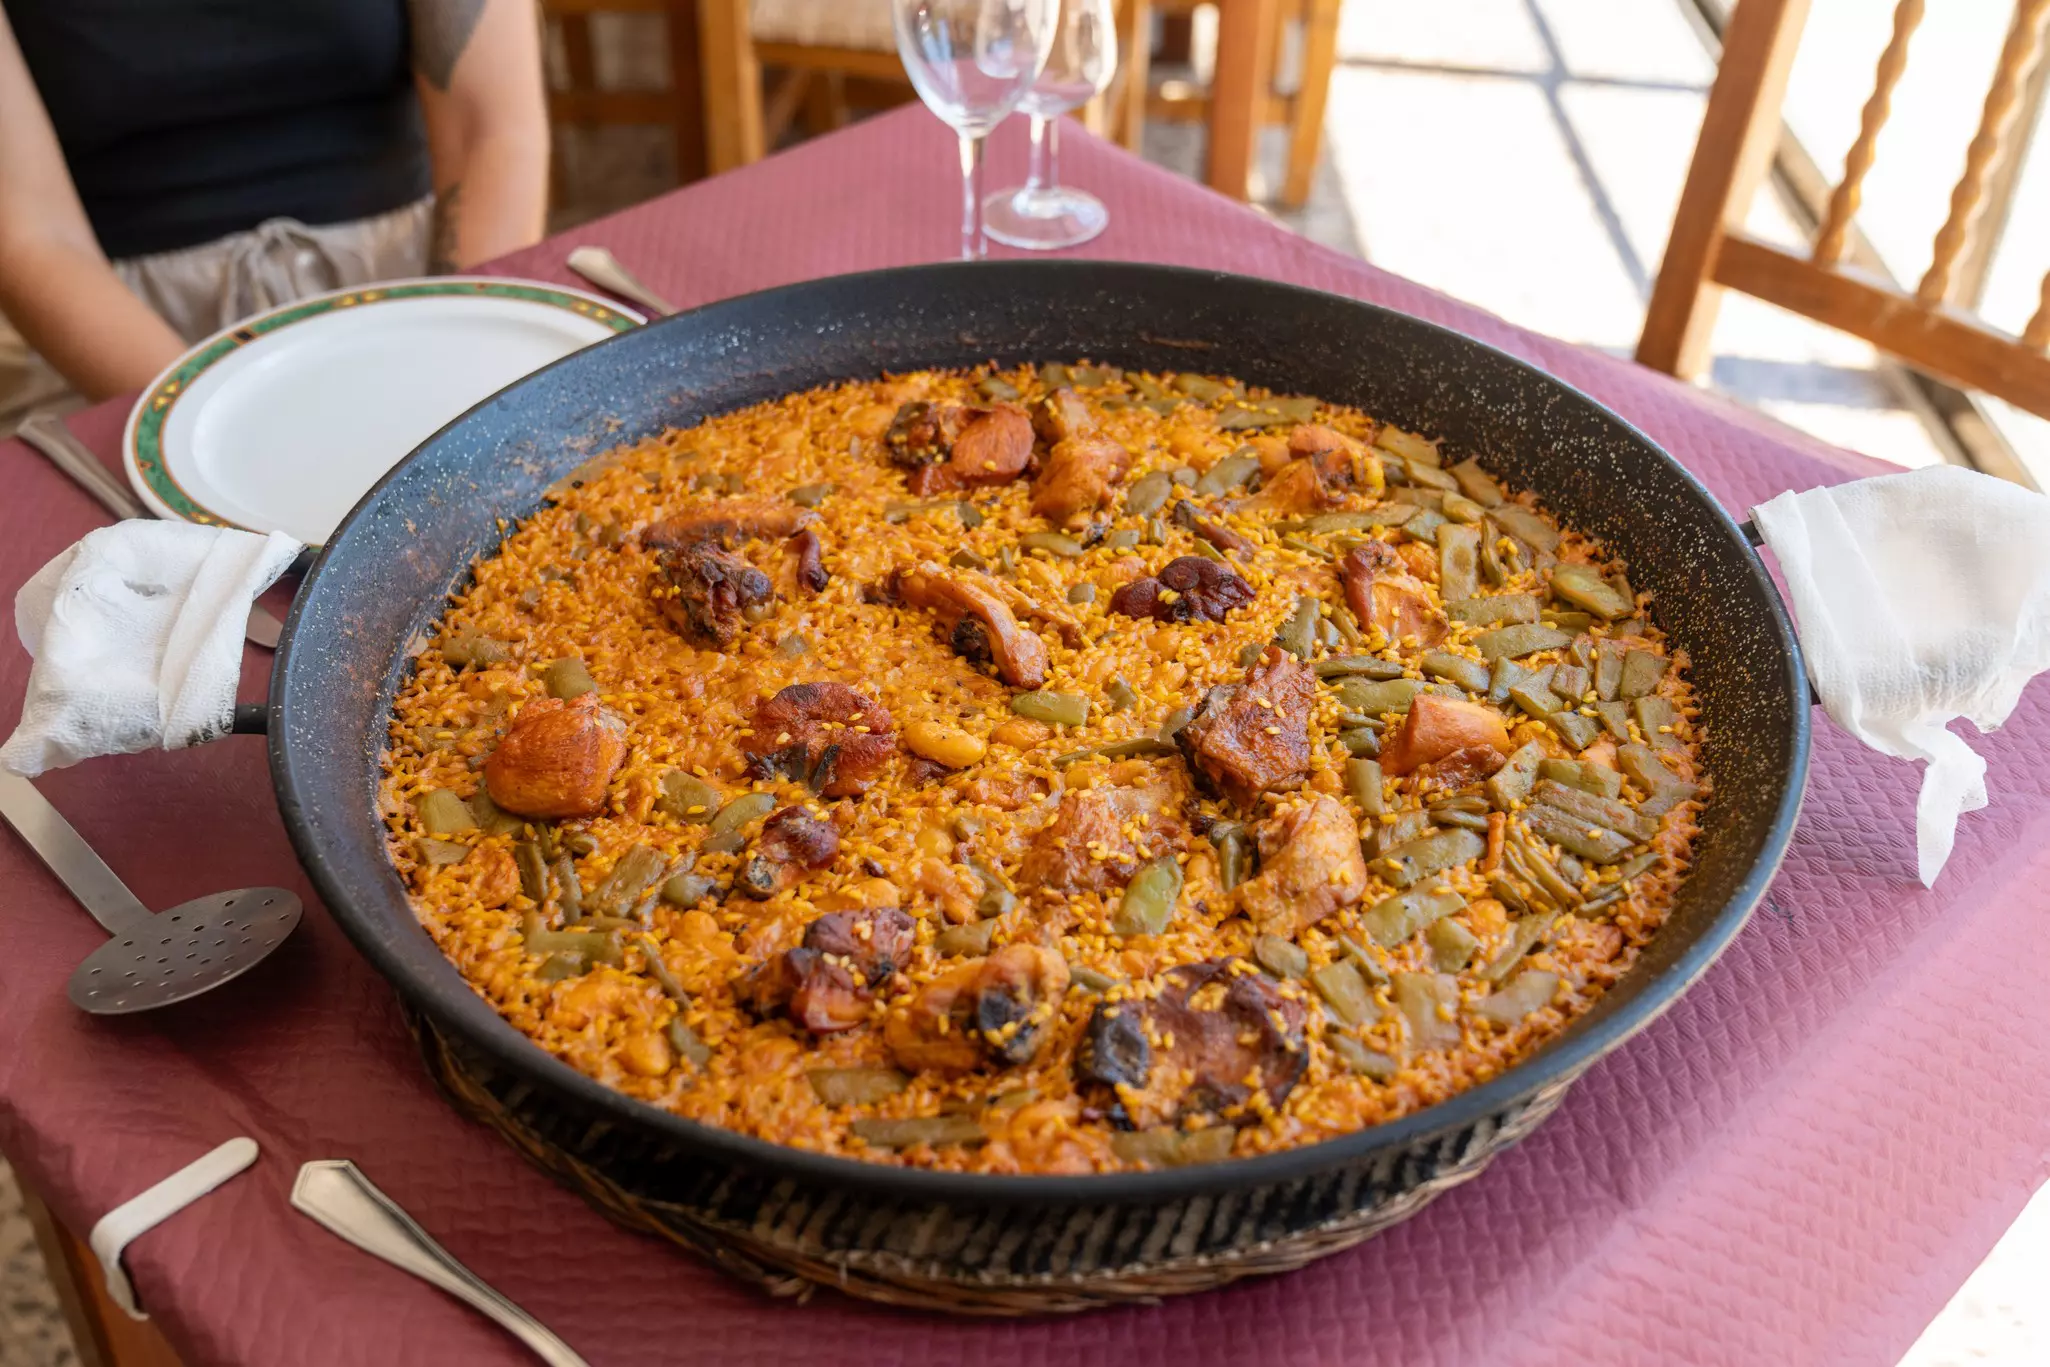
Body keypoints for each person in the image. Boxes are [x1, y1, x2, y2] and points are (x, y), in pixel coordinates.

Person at [0, 0, 549, 432]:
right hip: (110, 335)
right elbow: (33, 236)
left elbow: (493, 132)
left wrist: (458, 363)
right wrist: (208, 420)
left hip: (412, 282)